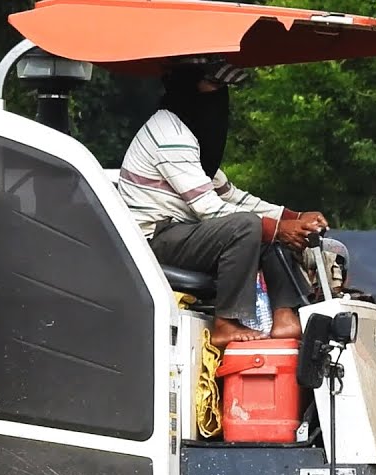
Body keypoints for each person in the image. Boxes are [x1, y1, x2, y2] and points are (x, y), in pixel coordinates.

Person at [117, 58, 327, 348]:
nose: (220, 95)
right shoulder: (169, 135)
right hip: (156, 240)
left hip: (184, 234)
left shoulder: (194, 138)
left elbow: (232, 196)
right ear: (186, 85)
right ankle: (226, 322)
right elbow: (210, 208)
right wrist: (279, 228)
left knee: (263, 226)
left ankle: (284, 316)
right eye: (214, 84)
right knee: (248, 226)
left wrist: (296, 217)